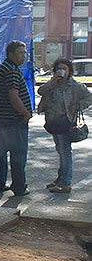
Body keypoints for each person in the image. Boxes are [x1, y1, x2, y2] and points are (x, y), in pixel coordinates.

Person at [37, 58, 92, 193]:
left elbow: (89, 97)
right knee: (60, 150)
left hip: (66, 122)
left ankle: (65, 182)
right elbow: (40, 91)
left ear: (70, 71)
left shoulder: (75, 86)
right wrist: (53, 81)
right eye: (59, 69)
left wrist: (78, 106)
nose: (62, 71)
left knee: (65, 152)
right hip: (52, 121)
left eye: (65, 69)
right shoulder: (53, 83)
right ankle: (61, 178)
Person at [0, 40, 33, 196]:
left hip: (1, 119)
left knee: (0, 153)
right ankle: (19, 186)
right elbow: (13, 96)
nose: (24, 56)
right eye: (21, 53)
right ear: (11, 54)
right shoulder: (11, 71)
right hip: (13, 120)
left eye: (25, 52)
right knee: (18, 154)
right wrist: (26, 113)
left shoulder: (4, 68)